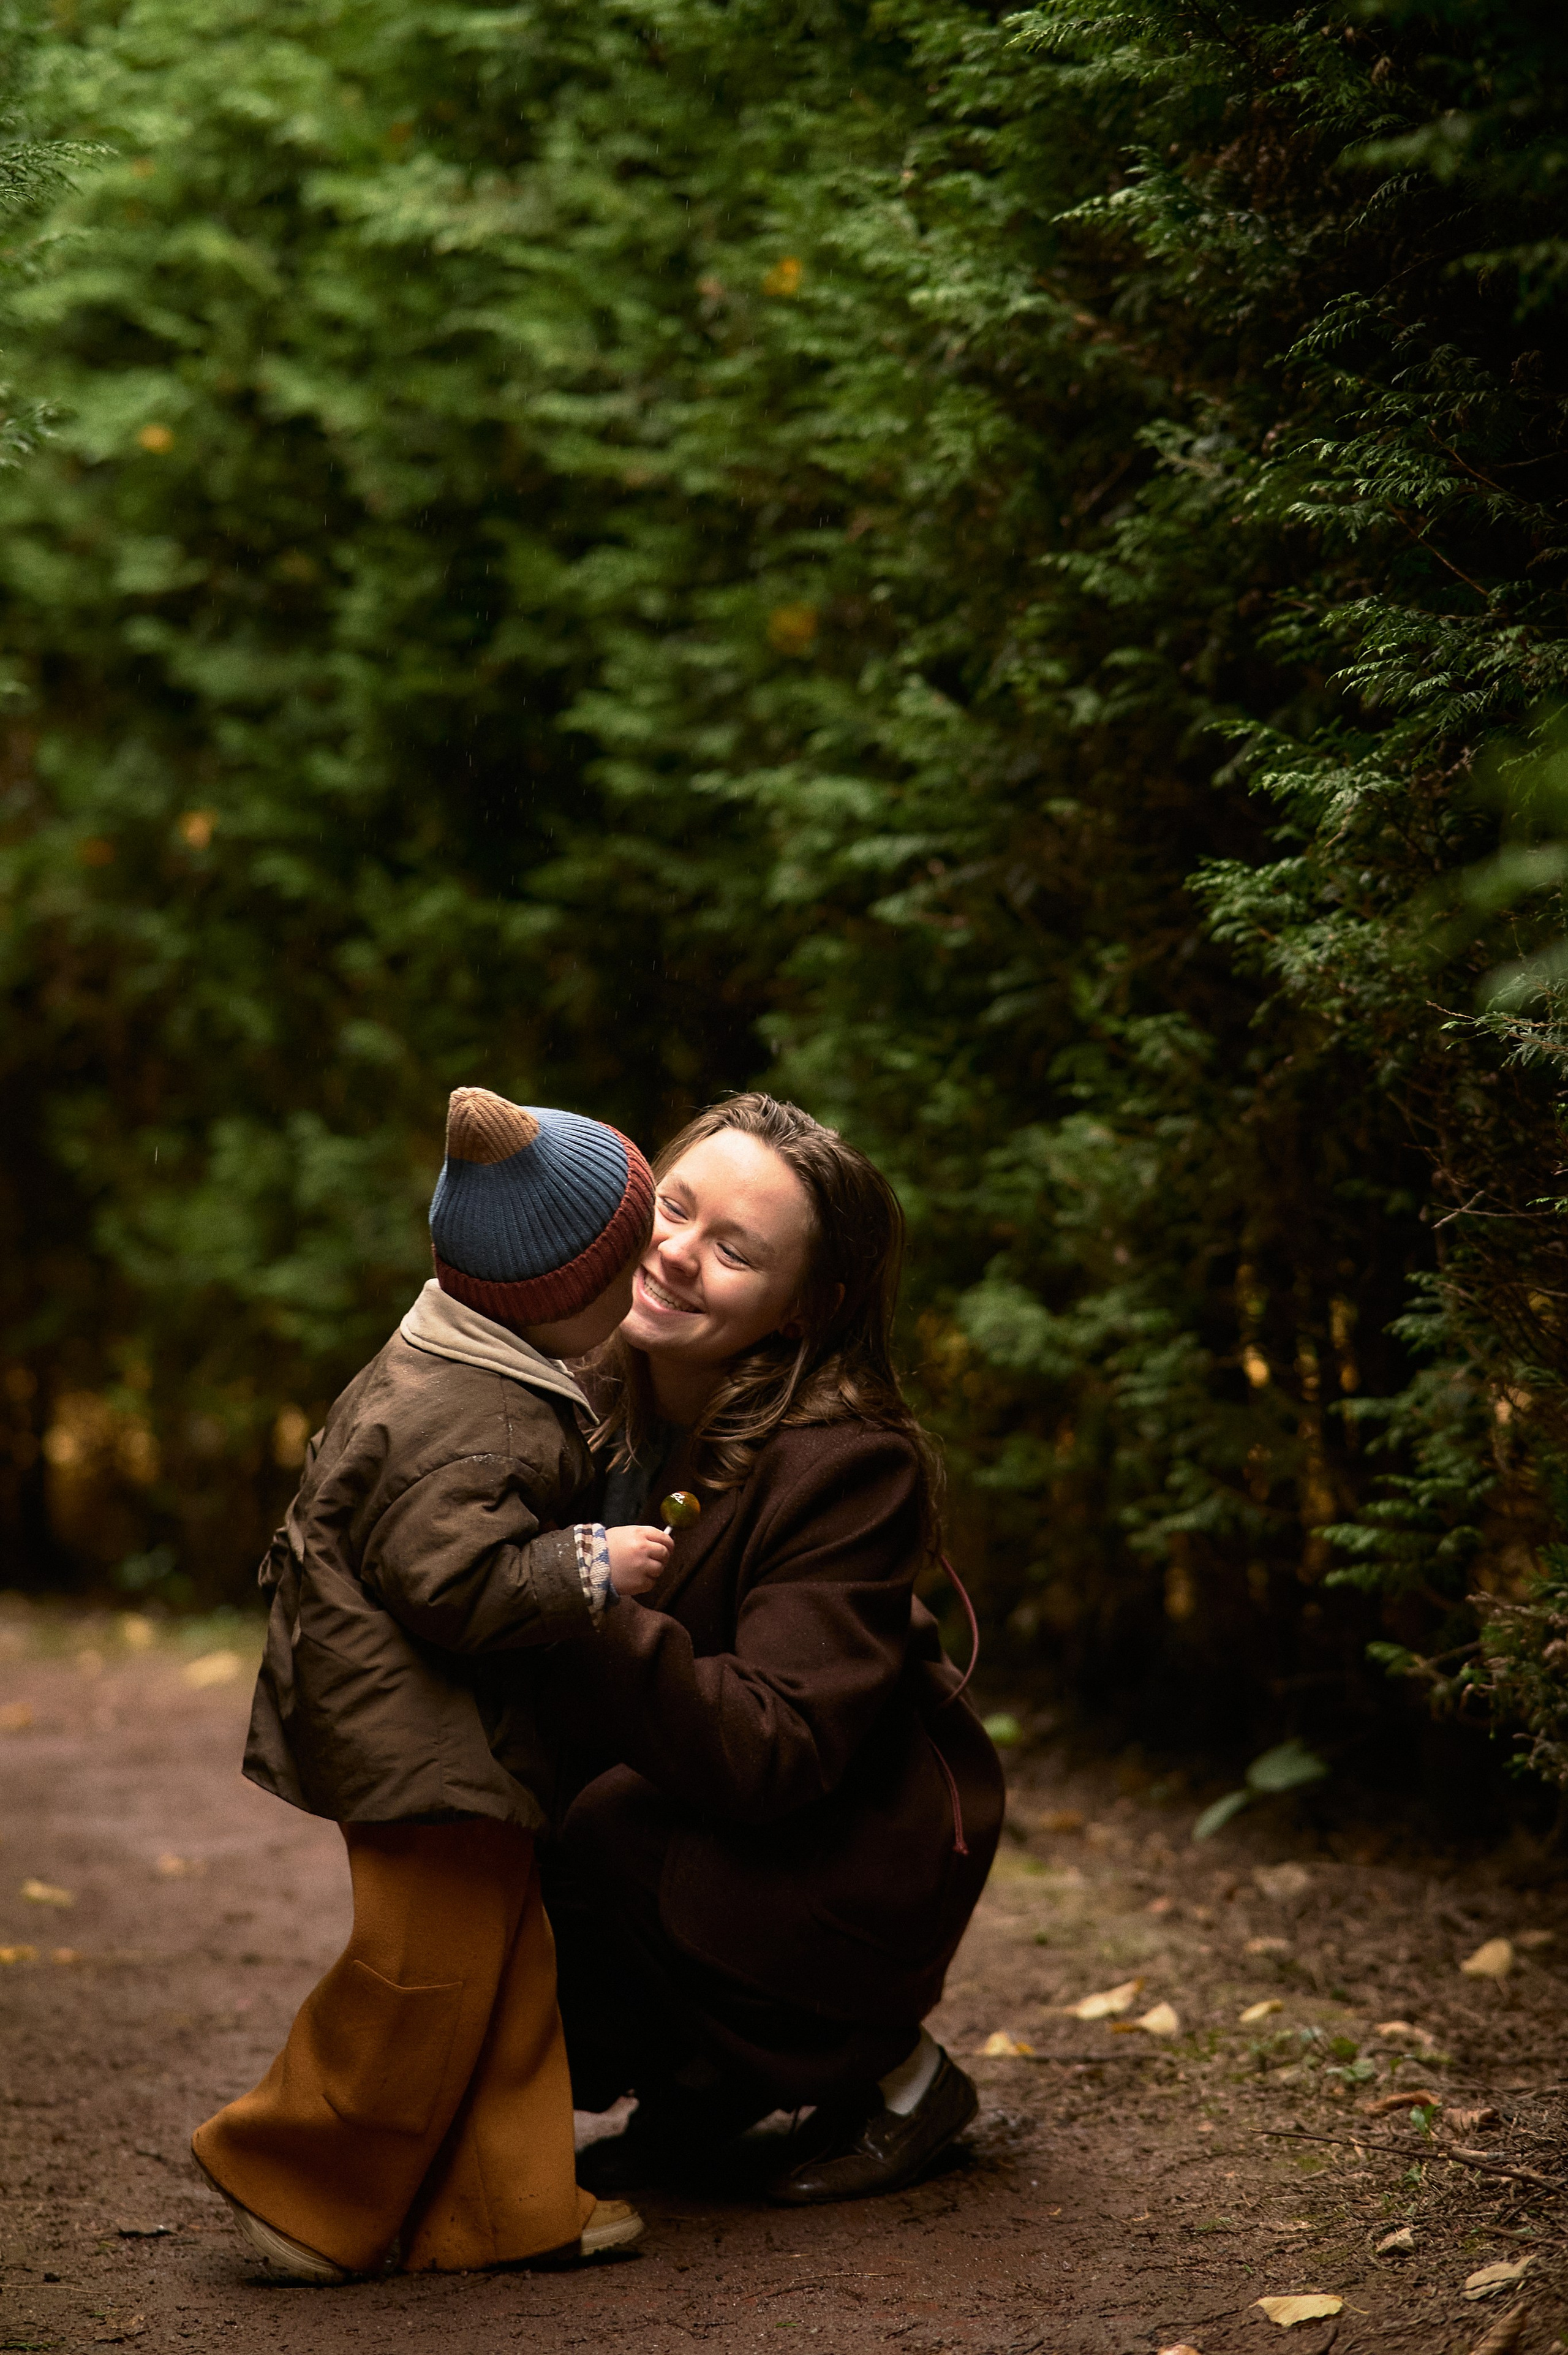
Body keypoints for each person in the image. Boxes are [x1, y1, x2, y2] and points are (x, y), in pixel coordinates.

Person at [191, 1087, 674, 2282]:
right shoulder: (470, 1411)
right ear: (558, 1296)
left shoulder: (477, 1356)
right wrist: (587, 1563)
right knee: (426, 1977)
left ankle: (507, 2206)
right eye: (622, 1279)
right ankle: (300, 2183)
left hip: (454, 1736)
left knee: (509, 1971)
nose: (637, 1294)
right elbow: (449, 1576)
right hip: (418, 1744)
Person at [541, 1092, 1006, 2203]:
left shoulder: (848, 1459)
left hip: (850, 1837)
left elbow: (778, 1745)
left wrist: (576, 1595)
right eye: (676, 1209)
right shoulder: (577, 1368)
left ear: (804, 1312)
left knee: (607, 1824)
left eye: (736, 1251)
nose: (677, 1254)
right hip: (693, 1795)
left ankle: (898, 2074)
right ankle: (705, 2083)